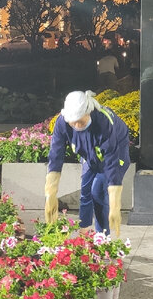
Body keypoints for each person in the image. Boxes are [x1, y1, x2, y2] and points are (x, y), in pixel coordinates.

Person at [44, 90, 130, 237]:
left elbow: (111, 160)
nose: (77, 125)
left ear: (88, 112)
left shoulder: (103, 122)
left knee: (98, 192)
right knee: (85, 190)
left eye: (81, 121)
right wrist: (50, 193)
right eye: (73, 121)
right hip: (90, 153)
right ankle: (84, 230)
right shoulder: (62, 123)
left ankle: (102, 236)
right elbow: (56, 155)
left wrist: (115, 202)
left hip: (114, 154)